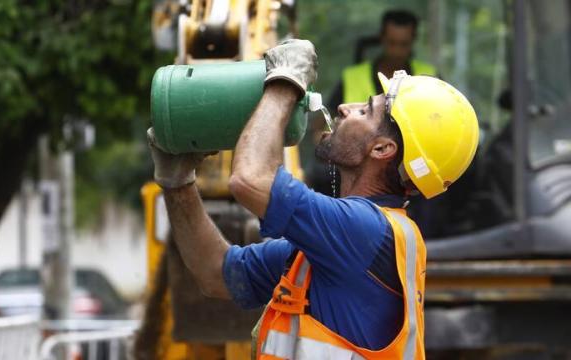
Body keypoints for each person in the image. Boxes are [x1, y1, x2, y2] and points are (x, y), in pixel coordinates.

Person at [148, 39, 478, 359]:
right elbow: (216, 274)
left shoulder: (365, 231)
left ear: (382, 149)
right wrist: (178, 185)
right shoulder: (344, 244)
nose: (344, 108)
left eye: (365, 111)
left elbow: (251, 180)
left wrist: (285, 83)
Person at [329, 10, 437, 112]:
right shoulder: (351, 78)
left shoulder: (430, 77)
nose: (397, 51)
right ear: (382, 38)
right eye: (391, 43)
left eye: (404, 44)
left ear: (414, 40)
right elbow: (322, 123)